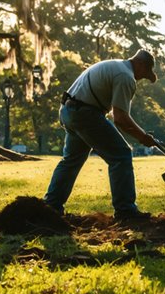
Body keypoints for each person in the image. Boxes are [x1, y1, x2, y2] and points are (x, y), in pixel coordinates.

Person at [44, 49, 158, 219]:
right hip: (85, 113)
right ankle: (125, 211)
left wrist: (141, 135)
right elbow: (120, 118)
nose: (142, 78)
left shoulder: (115, 66)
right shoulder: (125, 76)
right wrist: (142, 137)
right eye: (145, 73)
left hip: (69, 110)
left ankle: (50, 207)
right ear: (139, 63)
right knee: (121, 155)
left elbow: (116, 116)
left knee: (72, 160)